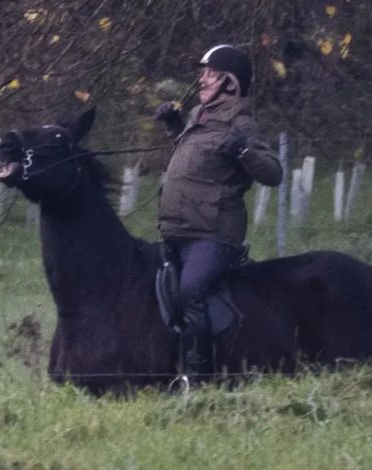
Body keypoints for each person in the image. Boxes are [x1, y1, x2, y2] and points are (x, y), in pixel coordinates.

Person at [154, 44, 282, 377]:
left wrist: (243, 152)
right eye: (203, 74)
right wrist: (174, 126)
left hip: (212, 235)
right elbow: (197, 163)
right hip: (176, 230)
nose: (202, 80)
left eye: (210, 74)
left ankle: (199, 377)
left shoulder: (241, 123)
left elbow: (273, 173)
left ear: (230, 82)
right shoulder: (198, 117)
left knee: (190, 292)